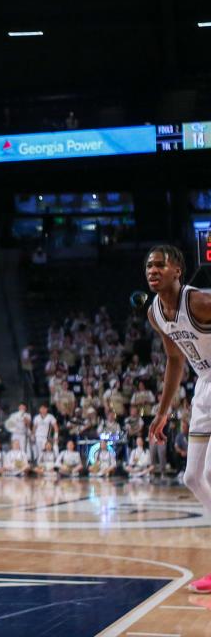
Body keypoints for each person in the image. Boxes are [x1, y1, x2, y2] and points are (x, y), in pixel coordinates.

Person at [146, 245, 211, 592]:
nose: (152, 270)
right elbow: (174, 360)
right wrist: (162, 411)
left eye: (160, 265)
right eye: (149, 266)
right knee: (192, 478)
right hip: (205, 387)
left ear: (177, 270)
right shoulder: (155, 313)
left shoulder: (199, 302)